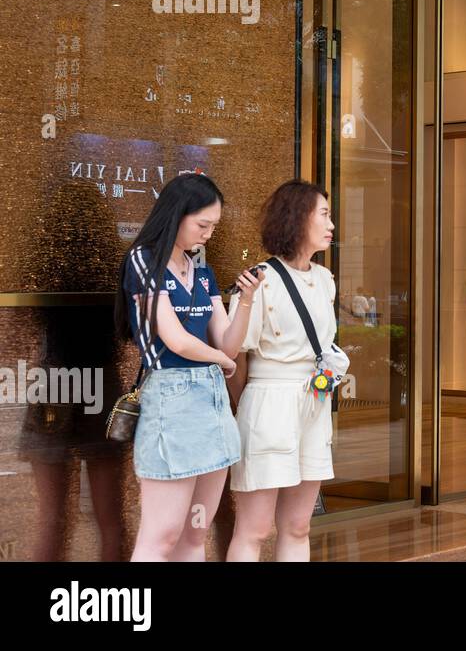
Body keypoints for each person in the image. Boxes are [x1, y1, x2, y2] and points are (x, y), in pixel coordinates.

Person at [116, 173, 264, 561]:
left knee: (196, 535)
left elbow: (226, 341)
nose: (208, 234)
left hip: (211, 402)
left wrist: (245, 301)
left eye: (214, 226)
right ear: (177, 214)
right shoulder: (143, 259)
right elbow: (175, 339)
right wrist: (222, 360)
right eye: (202, 224)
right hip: (171, 397)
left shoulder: (202, 271)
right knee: (161, 536)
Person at [227, 180, 339, 561]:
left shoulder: (325, 280)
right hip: (268, 403)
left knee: (298, 526)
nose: (331, 225)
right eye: (324, 214)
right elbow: (236, 354)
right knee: (255, 529)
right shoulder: (259, 280)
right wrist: (241, 406)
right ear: (298, 218)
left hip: (314, 400)